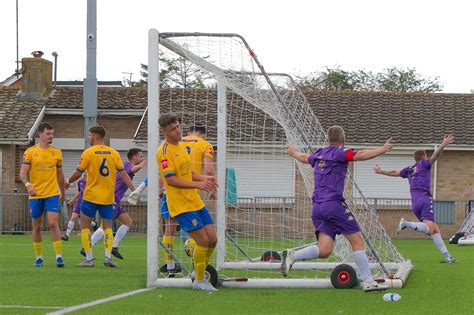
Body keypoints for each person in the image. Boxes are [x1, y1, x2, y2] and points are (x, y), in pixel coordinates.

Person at [282, 125, 392, 291]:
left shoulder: (318, 154)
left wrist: (292, 152)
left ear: (328, 140)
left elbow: (303, 157)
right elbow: (360, 155)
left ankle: (293, 256)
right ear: (343, 140)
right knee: (357, 241)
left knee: (324, 250)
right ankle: (368, 281)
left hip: (317, 208)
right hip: (333, 205)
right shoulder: (340, 152)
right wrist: (382, 149)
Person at [156, 114, 218, 291]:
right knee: (203, 241)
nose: (177, 131)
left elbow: (189, 173)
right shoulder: (164, 152)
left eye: (177, 127)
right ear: (164, 131)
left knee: (213, 240)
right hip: (181, 204)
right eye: (173, 129)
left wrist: (207, 178)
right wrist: (199, 184)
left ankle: (198, 274)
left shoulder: (181, 146)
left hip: (195, 201)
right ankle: (199, 280)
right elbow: (172, 180)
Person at [373, 134, 457, 263]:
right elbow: (436, 156)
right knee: (429, 228)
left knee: (434, 230)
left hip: (415, 203)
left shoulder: (409, 169)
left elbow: (394, 172)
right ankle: (406, 224)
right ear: (423, 157)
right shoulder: (424, 164)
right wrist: (443, 145)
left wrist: (380, 171)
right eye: (426, 156)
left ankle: (447, 257)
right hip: (424, 199)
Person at [65, 125, 136, 268]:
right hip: (107, 198)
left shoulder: (88, 153)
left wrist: (68, 181)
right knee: (108, 227)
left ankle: (89, 260)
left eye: (89, 135)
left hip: (90, 196)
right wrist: (134, 190)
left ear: (95, 135)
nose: (89, 138)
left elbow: (79, 172)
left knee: (85, 226)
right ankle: (108, 258)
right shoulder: (114, 153)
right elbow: (123, 174)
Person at [20, 122, 66, 268]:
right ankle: (39, 257)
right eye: (48, 133)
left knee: (53, 223)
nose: (51, 136)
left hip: (52, 193)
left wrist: (62, 192)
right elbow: (22, 174)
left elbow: (59, 175)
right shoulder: (30, 152)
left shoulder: (57, 152)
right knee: (37, 226)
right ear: (39, 134)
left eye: (52, 134)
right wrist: (28, 186)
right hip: (35, 195)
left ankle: (59, 257)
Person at [88, 148, 146, 259]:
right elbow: (133, 169)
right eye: (141, 156)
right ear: (134, 157)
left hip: (116, 200)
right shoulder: (127, 165)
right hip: (112, 198)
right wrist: (139, 166)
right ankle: (87, 248)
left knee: (128, 222)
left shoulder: (125, 165)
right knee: (104, 226)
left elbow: (133, 170)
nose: (142, 158)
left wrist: (138, 167)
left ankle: (114, 247)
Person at [62, 173, 86, 241]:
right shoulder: (80, 182)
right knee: (74, 217)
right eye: (84, 172)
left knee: (84, 219)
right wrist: (72, 200)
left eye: (86, 172)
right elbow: (79, 192)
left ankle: (93, 225)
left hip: (87, 202)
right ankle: (67, 235)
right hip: (80, 201)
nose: (85, 173)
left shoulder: (92, 181)